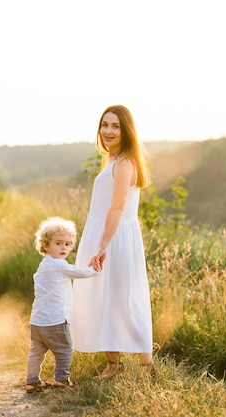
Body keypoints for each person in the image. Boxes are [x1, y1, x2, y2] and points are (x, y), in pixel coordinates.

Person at [70, 104, 157, 381]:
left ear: (126, 130)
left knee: (121, 297)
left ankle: (141, 364)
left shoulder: (125, 163)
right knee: (108, 296)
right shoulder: (113, 159)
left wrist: (103, 244)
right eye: (104, 124)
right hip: (105, 232)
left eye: (115, 126)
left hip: (114, 236)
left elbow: (117, 207)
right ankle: (117, 364)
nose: (108, 130)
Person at [25, 216, 100, 393]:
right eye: (58, 243)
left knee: (36, 353)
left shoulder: (43, 266)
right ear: (45, 245)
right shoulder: (59, 265)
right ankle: (61, 379)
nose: (64, 247)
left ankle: (32, 381)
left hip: (37, 322)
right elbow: (80, 272)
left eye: (67, 244)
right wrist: (95, 269)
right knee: (64, 350)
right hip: (56, 321)